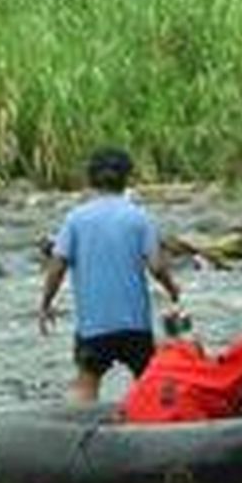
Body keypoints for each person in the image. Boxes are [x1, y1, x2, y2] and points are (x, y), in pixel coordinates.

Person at [39, 147, 181, 402]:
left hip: (94, 326)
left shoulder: (76, 219)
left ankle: (82, 436)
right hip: (135, 325)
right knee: (149, 382)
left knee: (86, 383)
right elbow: (157, 267)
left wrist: (45, 304)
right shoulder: (138, 217)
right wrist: (172, 290)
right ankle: (153, 430)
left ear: (90, 179)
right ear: (127, 178)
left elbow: (57, 265)